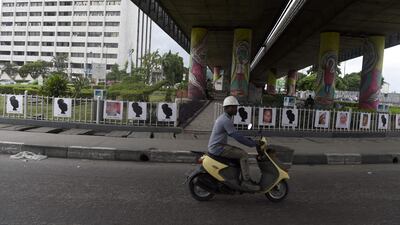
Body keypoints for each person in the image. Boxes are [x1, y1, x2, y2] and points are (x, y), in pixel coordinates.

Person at [208, 96, 260, 191]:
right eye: (235, 107)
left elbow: (236, 133)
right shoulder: (225, 120)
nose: (236, 109)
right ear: (229, 108)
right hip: (218, 148)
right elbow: (237, 136)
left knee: (238, 153)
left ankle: (237, 177)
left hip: (219, 146)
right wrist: (252, 144)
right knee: (243, 154)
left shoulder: (225, 118)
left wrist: (249, 139)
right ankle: (246, 182)